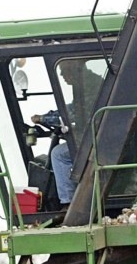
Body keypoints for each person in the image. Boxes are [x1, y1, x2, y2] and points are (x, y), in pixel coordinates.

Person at [36, 59, 104, 207]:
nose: (61, 74)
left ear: (73, 68)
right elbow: (74, 109)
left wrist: (44, 118)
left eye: (63, 71)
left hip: (97, 137)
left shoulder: (88, 85)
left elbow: (73, 113)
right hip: (97, 133)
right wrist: (50, 116)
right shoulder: (88, 82)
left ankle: (68, 203)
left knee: (58, 154)